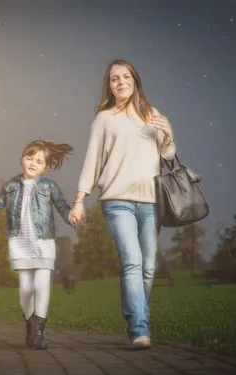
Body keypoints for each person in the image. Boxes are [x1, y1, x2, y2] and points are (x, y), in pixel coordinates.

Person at [69, 59, 176, 350]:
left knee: (149, 267)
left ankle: (141, 316)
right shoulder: (105, 118)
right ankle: (139, 329)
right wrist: (80, 199)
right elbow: (92, 159)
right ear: (110, 85)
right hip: (117, 201)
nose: (121, 82)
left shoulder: (151, 114)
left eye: (125, 76)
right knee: (132, 262)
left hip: (152, 202)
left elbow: (167, 157)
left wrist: (168, 134)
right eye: (115, 78)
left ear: (135, 80)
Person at [0, 140, 73, 350]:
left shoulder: (49, 186)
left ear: (46, 167)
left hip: (44, 242)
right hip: (19, 242)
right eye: (30, 157)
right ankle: (30, 325)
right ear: (21, 159)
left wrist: (73, 216)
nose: (33, 163)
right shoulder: (10, 186)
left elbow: (63, 208)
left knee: (42, 286)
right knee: (26, 289)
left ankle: (40, 331)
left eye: (39, 161)